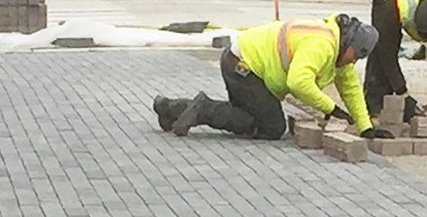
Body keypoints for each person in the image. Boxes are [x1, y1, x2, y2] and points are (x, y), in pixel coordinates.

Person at [154, 14, 379, 140]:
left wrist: (365, 128)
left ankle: (168, 108)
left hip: (243, 63)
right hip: (243, 66)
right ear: (350, 43)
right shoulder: (323, 45)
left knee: (244, 115)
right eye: (356, 55)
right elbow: (298, 82)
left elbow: (351, 91)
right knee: (271, 127)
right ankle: (201, 109)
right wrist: (331, 109)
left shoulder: (342, 53)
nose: (354, 61)